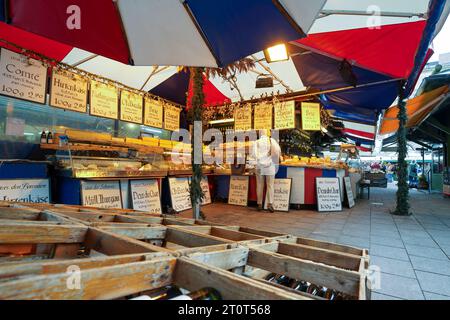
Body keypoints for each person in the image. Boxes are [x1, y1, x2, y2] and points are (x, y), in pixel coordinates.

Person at [251, 130, 282, 212]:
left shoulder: (256, 142)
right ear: (267, 133)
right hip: (269, 166)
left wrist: (260, 158)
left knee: (259, 184)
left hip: (259, 166)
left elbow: (253, 155)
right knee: (270, 185)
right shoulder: (272, 141)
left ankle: (259, 204)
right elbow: (278, 151)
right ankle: (270, 204)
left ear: (260, 134)